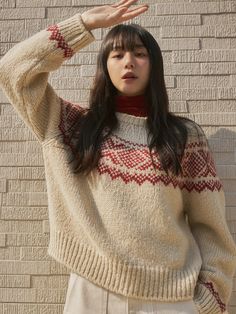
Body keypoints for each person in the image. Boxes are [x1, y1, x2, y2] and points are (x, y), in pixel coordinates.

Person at [0, 1, 236, 313]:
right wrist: (83, 24)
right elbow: (13, 71)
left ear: (153, 66)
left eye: (140, 53)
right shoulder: (70, 125)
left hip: (170, 299)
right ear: (105, 65)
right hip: (92, 293)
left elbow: (211, 225)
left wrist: (208, 299)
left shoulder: (184, 137)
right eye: (118, 54)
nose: (129, 62)